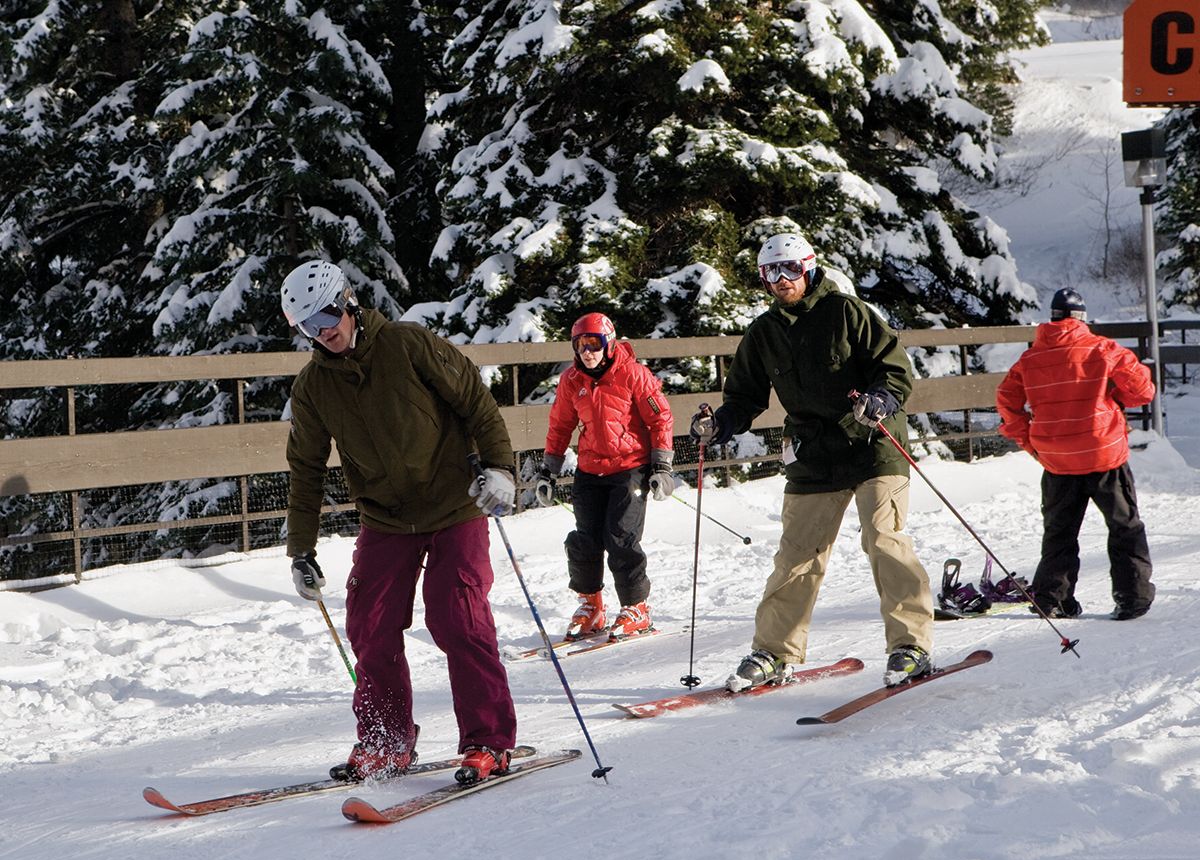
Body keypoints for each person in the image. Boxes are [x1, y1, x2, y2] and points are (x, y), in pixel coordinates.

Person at [280, 259, 518, 785]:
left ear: (346, 301)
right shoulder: (314, 386)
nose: (323, 333)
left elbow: (476, 403)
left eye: (326, 317)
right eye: (308, 328)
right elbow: (306, 469)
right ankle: (386, 740)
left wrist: (501, 468)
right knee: (370, 624)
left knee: (457, 617)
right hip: (386, 519)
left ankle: (488, 740)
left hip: (454, 504)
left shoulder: (409, 344)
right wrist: (301, 549)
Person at [690, 231, 934, 688]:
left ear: (810, 267)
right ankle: (773, 652)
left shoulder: (847, 312)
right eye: (770, 273)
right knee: (797, 555)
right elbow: (743, 397)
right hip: (814, 452)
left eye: (790, 270)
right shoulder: (764, 332)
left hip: (871, 442)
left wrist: (882, 398)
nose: (781, 280)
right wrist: (720, 423)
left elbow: (896, 367)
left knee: (883, 539)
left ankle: (910, 645)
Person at [995, 287, 1156, 620]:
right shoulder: (1104, 350)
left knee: (1060, 531)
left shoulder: (1029, 360)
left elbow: (1007, 402)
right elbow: (1143, 391)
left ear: (1052, 318)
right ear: (1082, 318)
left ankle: (1052, 598)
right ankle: (1132, 597)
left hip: (1057, 460)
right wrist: (1114, 394)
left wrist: (1032, 442)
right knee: (1124, 526)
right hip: (1104, 454)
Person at [533, 313, 675, 642]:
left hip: (630, 467)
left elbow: (660, 418)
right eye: (580, 345)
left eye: (594, 343)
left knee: (621, 537)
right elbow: (559, 426)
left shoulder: (634, 375)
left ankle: (636, 607)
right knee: (585, 539)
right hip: (589, 470)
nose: (588, 351)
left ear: (608, 342)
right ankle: (591, 606)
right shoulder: (571, 381)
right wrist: (548, 472)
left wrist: (661, 467)